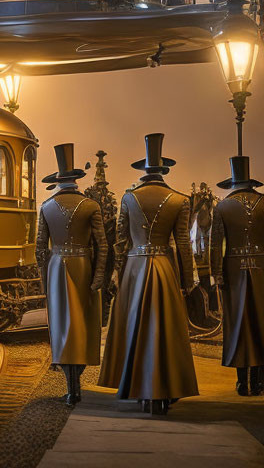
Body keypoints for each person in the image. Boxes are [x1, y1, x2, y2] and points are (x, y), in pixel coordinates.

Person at [98, 133, 198, 414]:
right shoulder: (180, 199)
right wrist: (187, 280)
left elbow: (120, 242)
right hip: (164, 267)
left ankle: (137, 386)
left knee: (135, 328)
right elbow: (183, 245)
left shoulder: (129, 199)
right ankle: (165, 386)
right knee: (164, 329)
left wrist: (117, 276)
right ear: (165, 169)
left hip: (134, 268)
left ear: (142, 169)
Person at [36, 144, 108, 406]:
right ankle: (78, 379)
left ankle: (71, 387)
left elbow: (39, 249)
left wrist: (45, 281)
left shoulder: (46, 207)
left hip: (57, 268)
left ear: (57, 180)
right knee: (85, 326)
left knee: (62, 326)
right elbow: (103, 244)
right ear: (76, 179)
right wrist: (98, 276)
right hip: (83, 266)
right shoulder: (91, 205)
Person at [210, 155, 264, 397]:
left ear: (231, 182)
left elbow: (215, 245)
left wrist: (217, 274)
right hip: (262, 267)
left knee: (238, 325)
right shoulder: (263, 202)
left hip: (233, 270)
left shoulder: (221, 207)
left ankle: (242, 382)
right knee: (261, 322)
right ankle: (260, 380)